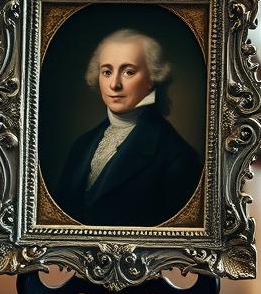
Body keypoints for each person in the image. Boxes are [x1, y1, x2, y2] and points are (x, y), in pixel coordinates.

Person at [54, 29, 202, 226]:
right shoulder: (82, 144)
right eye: (107, 72)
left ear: (151, 79)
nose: (114, 84)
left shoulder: (177, 156)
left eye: (128, 72)